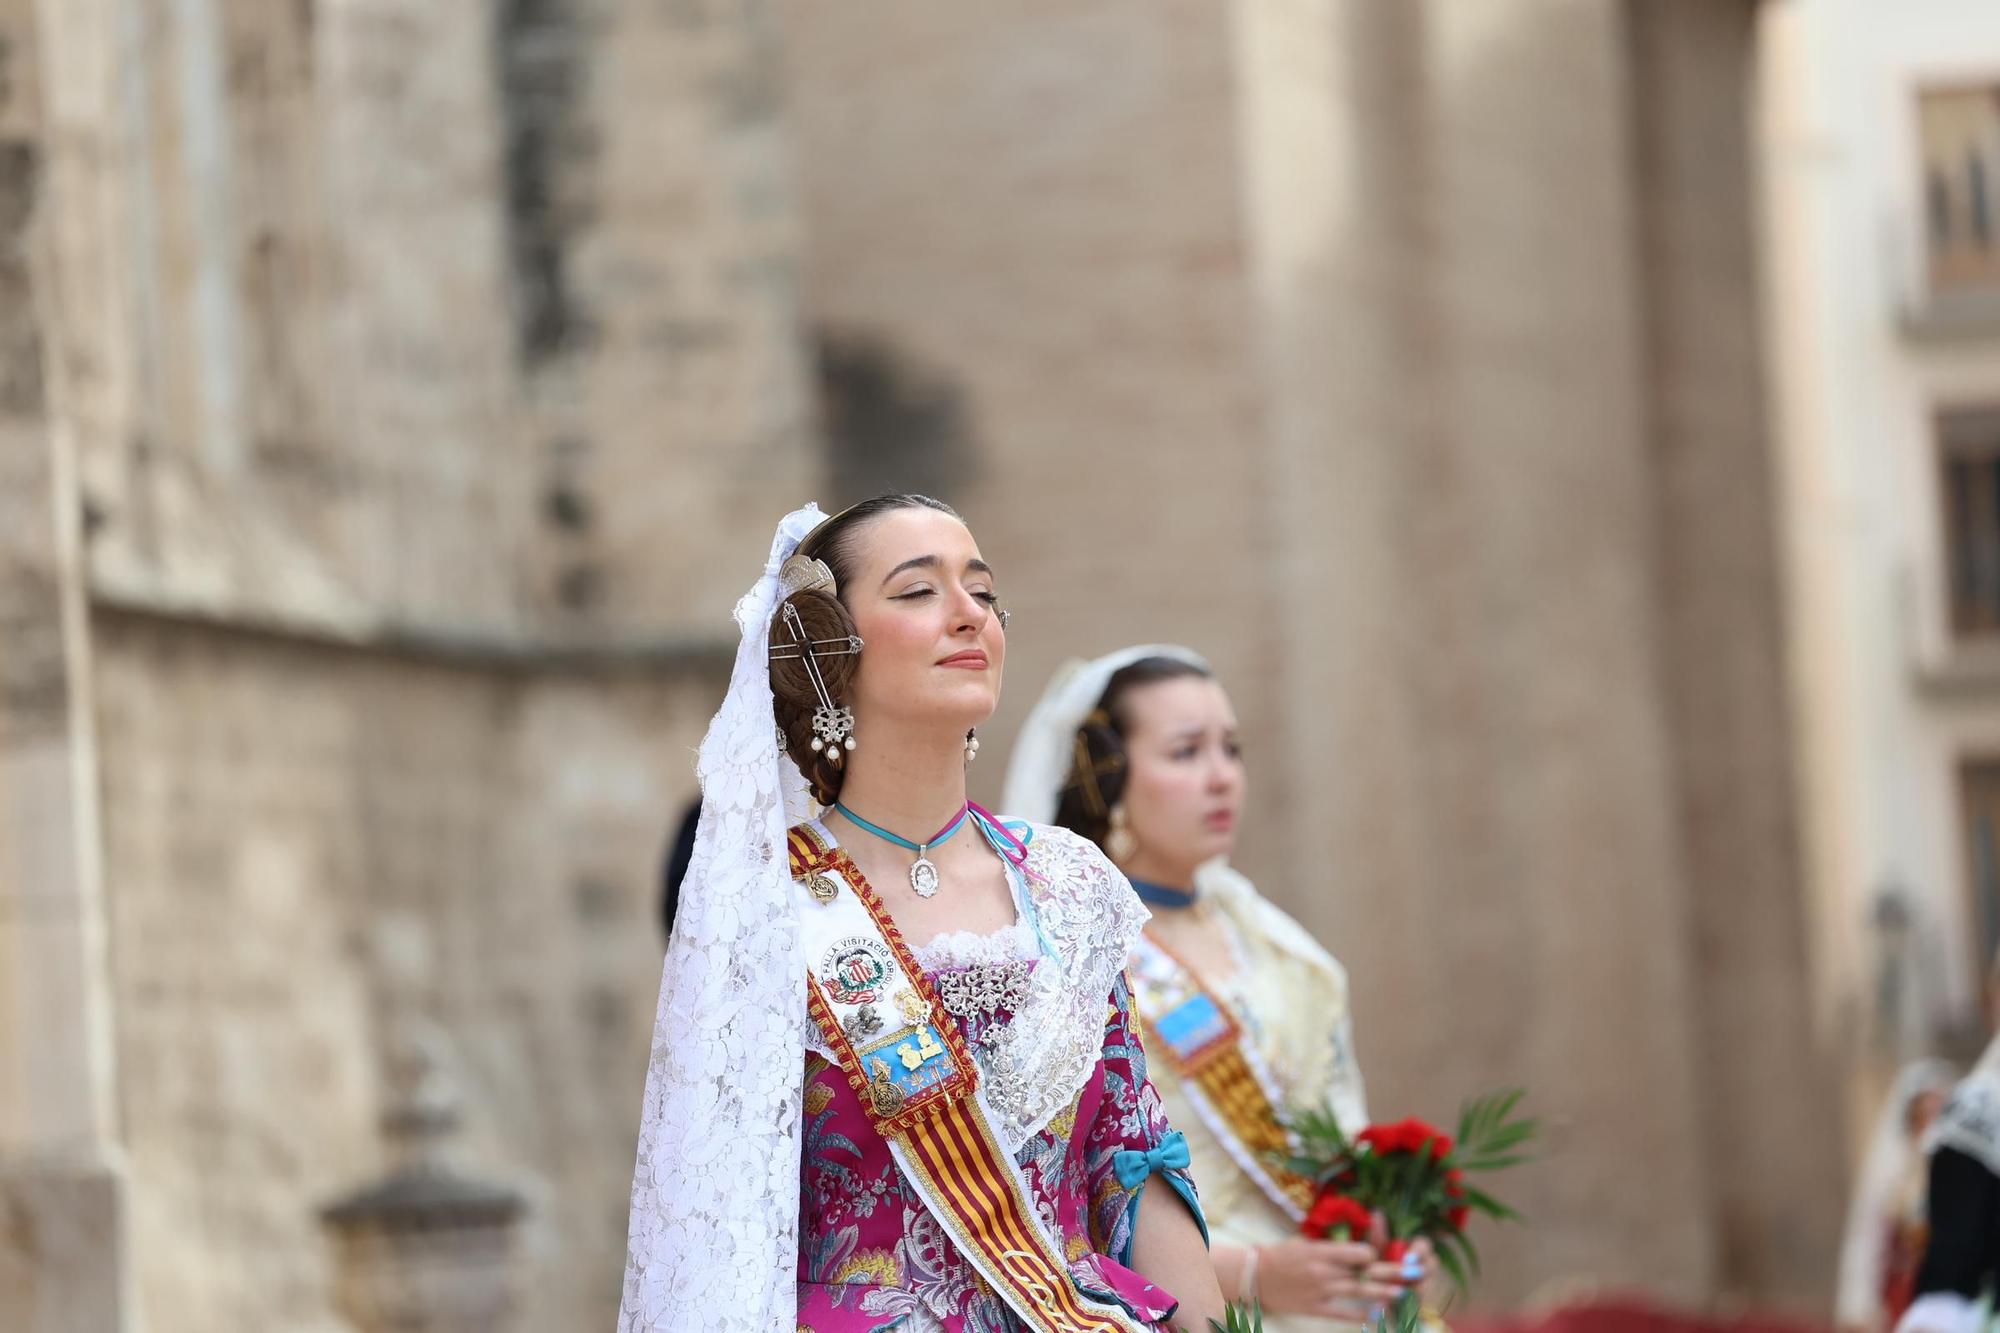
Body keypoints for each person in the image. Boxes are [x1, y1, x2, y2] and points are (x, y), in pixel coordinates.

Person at [620, 499, 1224, 1333]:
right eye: (918, 591)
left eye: (982, 591)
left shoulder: (1069, 882)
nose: (968, 612)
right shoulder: (770, 908)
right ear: (827, 646)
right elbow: (720, 1225)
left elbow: (1129, 1156)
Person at [1003, 647, 1418, 1330]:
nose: (1222, 776)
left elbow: (1340, 1131)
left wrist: (1390, 1232)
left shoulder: (1279, 949)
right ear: (1105, 774)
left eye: (1232, 748)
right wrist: (1253, 1272)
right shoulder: (1065, 951)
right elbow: (1057, 1197)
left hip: (1333, 1296)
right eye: (1186, 751)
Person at [1838, 1060, 1956, 1333]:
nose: (1932, 1120)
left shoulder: (1959, 1172)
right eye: (1925, 1112)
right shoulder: (1896, 1174)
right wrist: (1860, 1303)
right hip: (1903, 1295)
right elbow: (1869, 1236)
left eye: (1939, 1111)